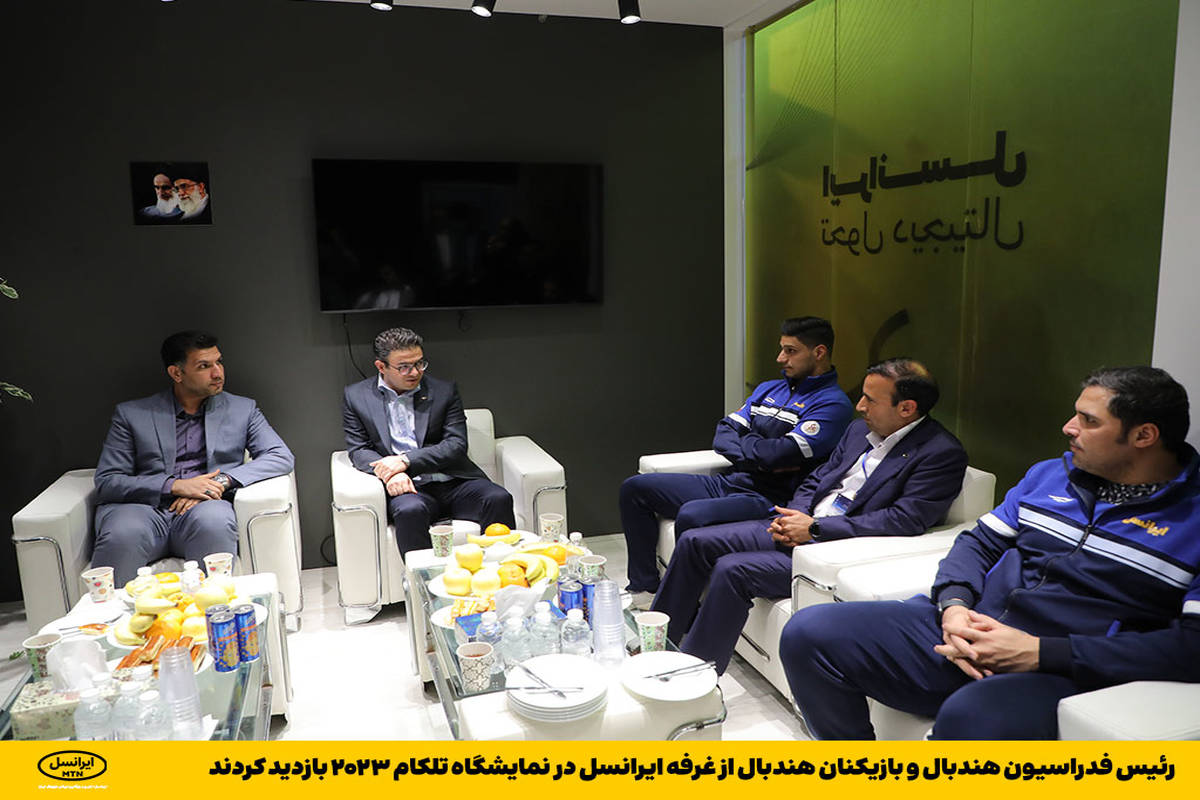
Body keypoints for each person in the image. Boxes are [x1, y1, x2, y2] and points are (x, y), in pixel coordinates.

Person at [780, 365, 1200, 740]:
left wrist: (1039, 652)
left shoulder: (1191, 519)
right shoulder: (1050, 475)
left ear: (1144, 436)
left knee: (972, 717)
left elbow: (1191, 646)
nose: (1068, 428)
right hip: (971, 624)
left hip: (1061, 665)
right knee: (810, 632)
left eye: (1089, 421)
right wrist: (954, 605)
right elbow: (978, 542)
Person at [653, 358, 968, 673]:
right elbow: (818, 478)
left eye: (870, 400)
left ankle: (695, 675)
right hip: (801, 524)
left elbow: (903, 519)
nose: (859, 406)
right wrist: (798, 514)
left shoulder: (940, 454)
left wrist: (816, 528)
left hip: (835, 546)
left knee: (731, 569)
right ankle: (656, 645)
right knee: (694, 541)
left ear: (907, 408)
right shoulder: (859, 430)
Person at [619, 317, 854, 608]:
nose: (780, 358)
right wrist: (761, 454)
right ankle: (644, 590)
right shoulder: (769, 389)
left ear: (819, 352)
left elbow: (780, 454)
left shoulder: (833, 404)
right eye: (781, 349)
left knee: (692, 515)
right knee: (635, 489)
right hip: (730, 481)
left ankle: (687, 608)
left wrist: (755, 448)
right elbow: (724, 434)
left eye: (791, 351)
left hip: (769, 498)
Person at [93, 331, 295, 584]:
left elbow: (280, 455)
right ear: (176, 373)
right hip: (143, 510)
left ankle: (214, 606)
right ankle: (114, 611)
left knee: (215, 522)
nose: (217, 373)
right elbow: (108, 481)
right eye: (204, 366)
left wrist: (218, 482)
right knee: (122, 533)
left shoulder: (243, 409)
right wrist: (176, 486)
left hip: (204, 508)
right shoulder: (132, 414)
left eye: (219, 362)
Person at [342, 327, 515, 555]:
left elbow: (456, 445)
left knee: (498, 497)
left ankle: (503, 570)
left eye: (419, 363)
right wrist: (391, 473)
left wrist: (405, 461)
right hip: (410, 488)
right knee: (410, 511)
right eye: (404, 367)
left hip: (455, 481)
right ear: (381, 367)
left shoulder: (443, 391)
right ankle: (422, 577)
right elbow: (359, 449)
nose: (414, 372)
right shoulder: (356, 396)